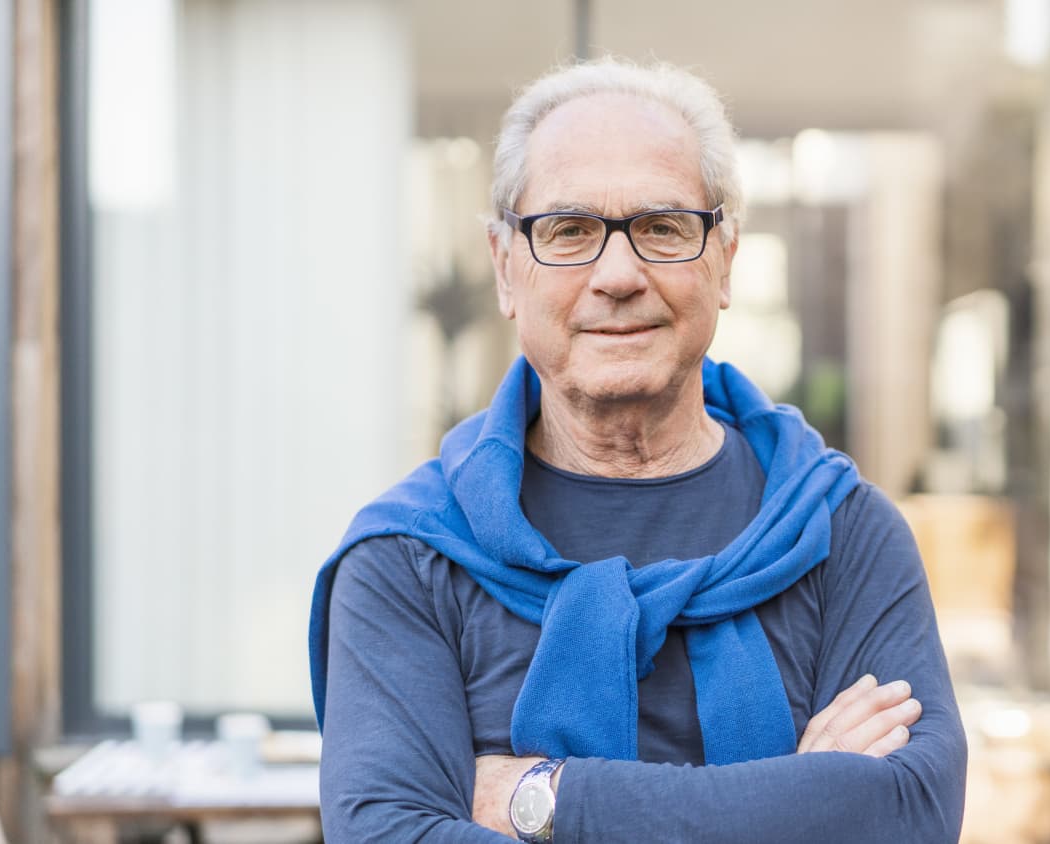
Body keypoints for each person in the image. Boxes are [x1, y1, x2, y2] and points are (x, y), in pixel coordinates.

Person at [308, 58, 966, 843]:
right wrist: (799, 800)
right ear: (504, 267)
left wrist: (545, 802)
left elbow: (910, 817)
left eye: (661, 227)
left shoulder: (842, 534)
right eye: (569, 230)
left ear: (723, 258)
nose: (617, 274)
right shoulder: (408, 559)